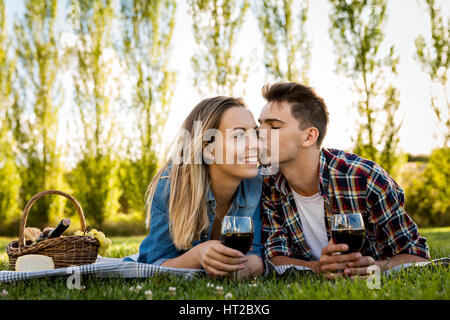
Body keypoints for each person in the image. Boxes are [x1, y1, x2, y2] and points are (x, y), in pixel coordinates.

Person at [258, 82, 430, 279]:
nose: (259, 134)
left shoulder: (364, 178)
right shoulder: (267, 184)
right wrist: (319, 268)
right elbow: (276, 257)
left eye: (274, 126)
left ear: (309, 136)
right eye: (259, 125)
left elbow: (417, 255)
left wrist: (374, 268)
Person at [137, 96, 264, 279]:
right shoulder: (172, 185)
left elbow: (256, 255)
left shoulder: (254, 185)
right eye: (239, 135)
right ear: (209, 151)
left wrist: (243, 268)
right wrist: (197, 256)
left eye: (255, 133)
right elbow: (153, 264)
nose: (255, 145)